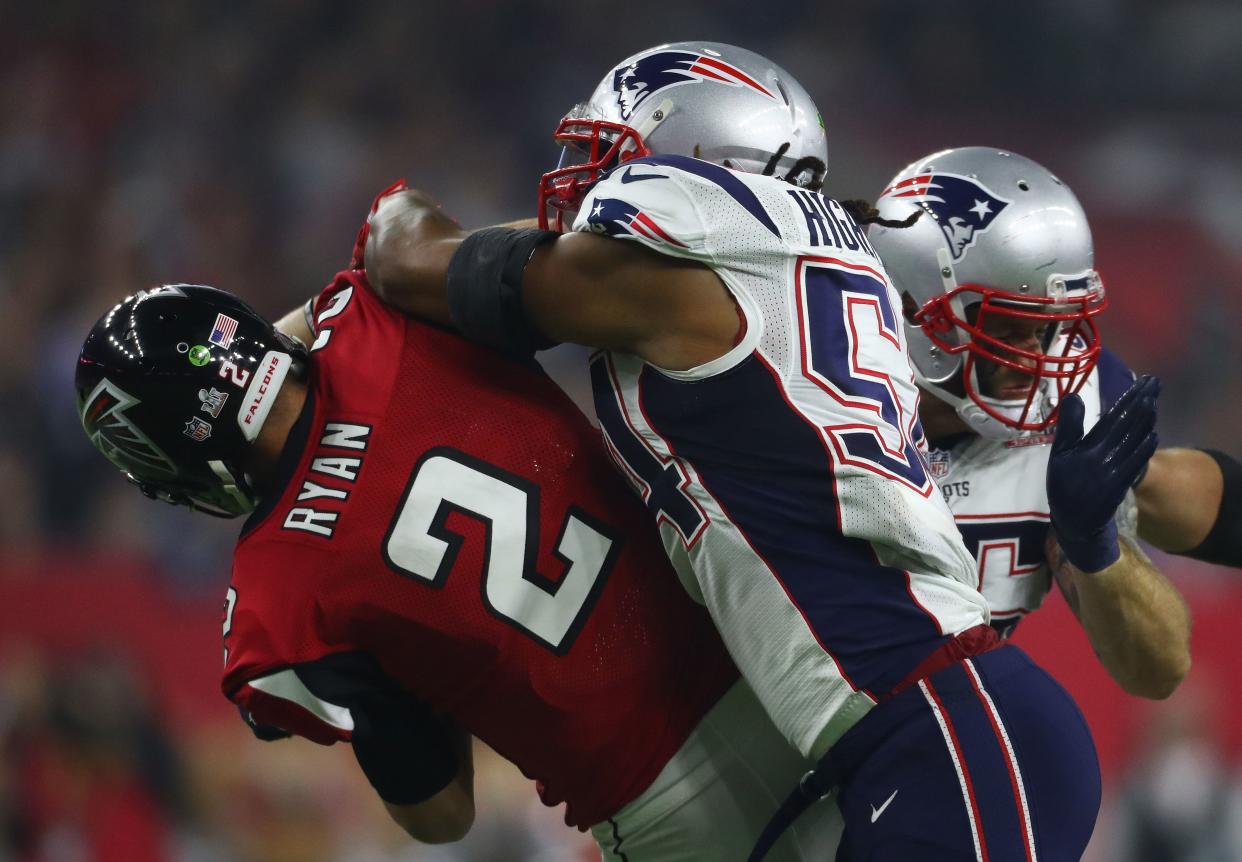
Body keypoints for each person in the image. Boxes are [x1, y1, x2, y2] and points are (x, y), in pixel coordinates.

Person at [363, 41, 1150, 860]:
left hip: (943, 732)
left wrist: (390, 215)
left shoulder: (670, 290)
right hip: (925, 738)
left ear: (696, 173)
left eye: (615, 164)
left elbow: (418, 265)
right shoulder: (805, 263)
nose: (586, 187)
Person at [74, 203, 845, 860]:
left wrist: (422, 652)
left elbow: (440, 816)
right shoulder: (380, 315)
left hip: (662, 804)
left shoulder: (278, 601)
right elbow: (410, 238)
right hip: (773, 653)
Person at [868, 147, 1197, 697]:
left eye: (1048, 328)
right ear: (910, 307)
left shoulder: (1073, 410)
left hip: (933, 736)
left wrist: (1096, 545)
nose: (1035, 359)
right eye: (1007, 327)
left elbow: (1159, 669)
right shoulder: (818, 398)